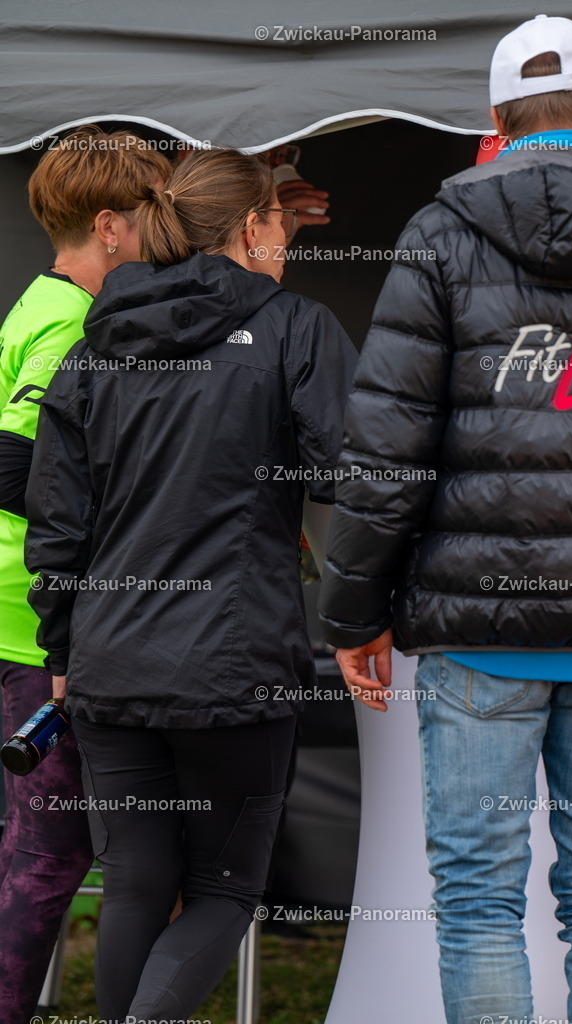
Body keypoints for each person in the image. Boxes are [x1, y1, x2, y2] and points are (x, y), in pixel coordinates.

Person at [318, 14, 572, 1024]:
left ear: (495, 120)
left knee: (480, 901)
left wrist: (351, 612)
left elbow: (387, 447)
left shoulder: (441, 235)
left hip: (481, 632)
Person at [24, 146, 357, 1022]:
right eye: (281, 221)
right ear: (253, 227)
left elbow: (57, 524)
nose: (287, 237)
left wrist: (62, 649)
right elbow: (350, 473)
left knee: (134, 883)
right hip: (235, 666)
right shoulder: (295, 327)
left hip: (108, 661)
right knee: (220, 889)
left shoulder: (98, 339)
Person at [0, 125, 170, 1024]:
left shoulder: (43, 304)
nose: (166, 233)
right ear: (111, 225)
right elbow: (10, 465)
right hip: (31, 621)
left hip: (28, 612)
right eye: (155, 216)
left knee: (43, 844)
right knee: (51, 848)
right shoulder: (71, 321)